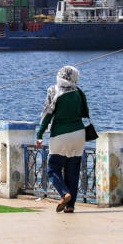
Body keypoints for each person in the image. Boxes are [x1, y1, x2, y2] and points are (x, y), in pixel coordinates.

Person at [36, 65, 90, 213]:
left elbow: (47, 114)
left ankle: (64, 193)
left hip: (60, 135)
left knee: (53, 169)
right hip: (79, 135)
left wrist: (39, 135)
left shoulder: (53, 91)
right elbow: (85, 112)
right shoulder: (79, 92)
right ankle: (70, 206)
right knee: (72, 172)